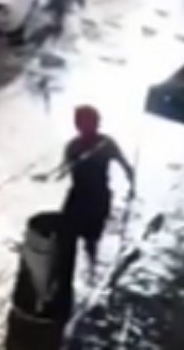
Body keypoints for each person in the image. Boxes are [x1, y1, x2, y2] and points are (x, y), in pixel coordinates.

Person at [58, 105, 134, 267]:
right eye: (82, 124)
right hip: (77, 197)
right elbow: (63, 170)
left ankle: (91, 267)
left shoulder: (106, 144)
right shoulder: (72, 146)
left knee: (91, 240)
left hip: (98, 198)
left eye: (91, 123)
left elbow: (125, 166)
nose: (87, 128)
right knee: (65, 237)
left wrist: (131, 183)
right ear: (77, 125)